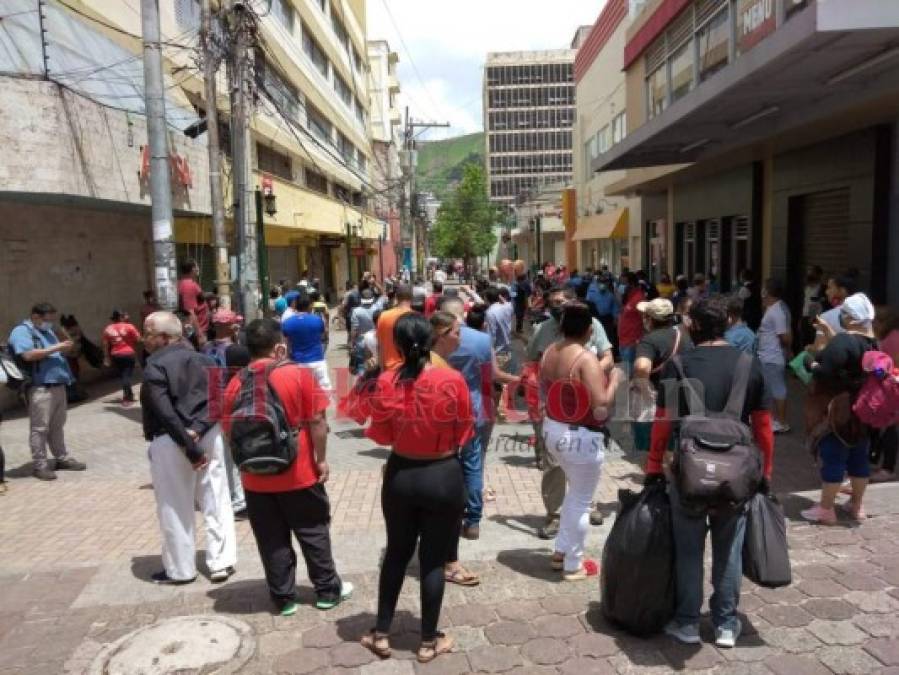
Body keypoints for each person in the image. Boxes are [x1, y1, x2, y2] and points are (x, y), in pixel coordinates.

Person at [646, 295, 773, 648]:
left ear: (695, 326)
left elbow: (662, 423)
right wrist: (766, 473)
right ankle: (726, 624)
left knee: (688, 549)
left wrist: (654, 466)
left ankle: (687, 622)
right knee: (729, 546)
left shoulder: (679, 365)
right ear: (729, 323)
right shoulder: (750, 364)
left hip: (687, 472)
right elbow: (763, 427)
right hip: (737, 475)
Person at [361, 313, 473, 663]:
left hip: (401, 474)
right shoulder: (451, 379)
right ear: (430, 342)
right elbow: (465, 431)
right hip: (442, 473)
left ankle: (380, 633)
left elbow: (379, 433)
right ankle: (427, 641)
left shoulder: (386, 380)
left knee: (396, 551)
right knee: (433, 562)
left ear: (395, 344)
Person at [221, 319, 350, 614]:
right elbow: (317, 421)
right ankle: (327, 592)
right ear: (279, 347)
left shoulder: (235, 382)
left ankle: (284, 599)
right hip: (298, 473)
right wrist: (321, 459)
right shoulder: (298, 375)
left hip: (254, 478)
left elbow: (228, 431)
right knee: (313, 531)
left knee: (271, 539)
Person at [141, 311, 237, 584]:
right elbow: (218, 401)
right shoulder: (205, 359)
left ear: (164, 337)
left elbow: (164, 411)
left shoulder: (154, 366)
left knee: (174, 503)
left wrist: (187, 440)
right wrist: (198, 430)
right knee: (216, 495)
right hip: (204, 434)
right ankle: (222, 561)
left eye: (148, 334)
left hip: (171, 439)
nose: (144, 339)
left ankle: (181, 569)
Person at [540, 301, 623, 580]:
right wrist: (615, 382)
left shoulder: (550, 351)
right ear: (589, 330)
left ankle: (560, 552)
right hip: (578, 436)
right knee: (580, 500)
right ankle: (573, 564)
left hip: (553, 428)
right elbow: (601, 405)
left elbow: (542, 389)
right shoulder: (585, 358)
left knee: (575, 496)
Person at [526, 286, 613, 538]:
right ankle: (555, 514)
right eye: (553, 302)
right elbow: (533, 362)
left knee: (586, 461)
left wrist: (591, 370)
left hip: (586, 407)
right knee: (554, 464)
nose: (557, 306)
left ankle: (587, 503)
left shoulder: (591, 323)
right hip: (554, 410)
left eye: (562, 301)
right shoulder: (542, 331)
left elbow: (607, 355)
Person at [442, 297, 517, 540]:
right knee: (473, 463)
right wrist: (517, 380)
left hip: (442, 411)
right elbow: (493, 374)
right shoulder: (482, 340)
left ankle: (449, 513)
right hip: (475, 408)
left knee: (446, 462)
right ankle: (473, 520)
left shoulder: (435, 341)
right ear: (462, 314)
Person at [801, 293, 878, 524]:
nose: (841, 316)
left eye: (844, 314)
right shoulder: (871, 342)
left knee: (834, 455)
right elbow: (848, 354)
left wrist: (809, 361)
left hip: (838, 410)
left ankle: (826, 509)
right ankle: (856, 505)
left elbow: (824, 370)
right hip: (862, 409)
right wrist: (828, 332)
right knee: (859, 459)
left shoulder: (843, 342)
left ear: (851, 318)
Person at [8, 303, 86, 481]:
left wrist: (64, 348)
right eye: (47, 320)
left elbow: (53, 353)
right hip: (40, 387)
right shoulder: (21, 332)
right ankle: (40, 465)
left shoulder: (47, 331)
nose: (50, 323)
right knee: (40, 428)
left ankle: (62, 458)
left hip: (58, 384)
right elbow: (27, 355)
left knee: (57, 426)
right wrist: (57, 348)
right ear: (35, 317)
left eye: (51, 320)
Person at [631, 298, 692, 452]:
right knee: (674, 442)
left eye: (645, 315)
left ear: (650, 319)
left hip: (657, 399)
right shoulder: (684, 335)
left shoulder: (649, 340)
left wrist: (645, 391)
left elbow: (642, 367)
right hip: (680, 396)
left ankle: (657, 471)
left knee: (654, 444)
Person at [758, 278, 792, 433]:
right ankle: (775, 420)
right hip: (768, 355)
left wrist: (786, 350)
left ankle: (782, 422)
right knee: (771, 389)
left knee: (778, 389)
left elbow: (784, 336)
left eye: (764, 289)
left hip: (772, 356)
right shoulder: (772, 309)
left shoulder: (777, 311)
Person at [870, 305, 899, 482]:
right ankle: (879, 462)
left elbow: (891, 365)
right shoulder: (891, 336)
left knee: (889, 427)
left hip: (892, 388)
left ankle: (887, 468)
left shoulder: (891, 339)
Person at [282, 293, 331, 390]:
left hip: (298, 362)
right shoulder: (317, 320)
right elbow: (324, 335)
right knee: (322, 393)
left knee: (301, 393)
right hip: (317, 361)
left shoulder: (287, 323)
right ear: (310, 306)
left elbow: (287, 344)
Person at [102, 309, 142, 405]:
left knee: (123, 374)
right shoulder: (129, 327)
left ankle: (130, 394)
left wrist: (106, 357)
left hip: (115, 354)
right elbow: (139, 339)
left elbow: (105, 344)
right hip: (128, 353)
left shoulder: (108, 329)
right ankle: (127, 397)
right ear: (121, 317)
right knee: (126, 375)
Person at [377, 284, 414, 371]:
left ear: (396, 297)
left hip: (389, 368)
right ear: (412, 297)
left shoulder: (384, 316)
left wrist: (381, 369)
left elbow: (380, 345)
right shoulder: (416, 317)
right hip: (410, 370)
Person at [177, 259, 209, 347]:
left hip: (196, 330)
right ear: (192, 269)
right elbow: (190, 311)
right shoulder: (188, 285)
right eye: (196, 266)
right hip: (195, 333)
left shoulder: (188, 283)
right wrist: (200, 334)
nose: (198, 269)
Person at [617, 272, 646, 368]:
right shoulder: (630, 297)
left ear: (632, 284)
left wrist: (640, 339)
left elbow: (645, 320)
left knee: (629, 372)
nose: (622, 287)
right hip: (623, 340)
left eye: (625, 284)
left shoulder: (639, 299)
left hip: (632, 341)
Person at [586, 275, 619, 353]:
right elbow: (587, 305)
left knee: (609, 336)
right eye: (601, 282)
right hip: (596, 317)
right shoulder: (591, 294)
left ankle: (611, 353)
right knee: (595, 335)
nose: (603, 284)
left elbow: (614, 307)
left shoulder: (610, 295)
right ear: (597, 283)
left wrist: (615, 318)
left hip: (607, 318)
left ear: (607, 283)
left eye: (604, 282)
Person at [350, 290, 376, 375]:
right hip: (375, 342)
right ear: (372, 298)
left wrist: (352, 343)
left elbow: (354, 329)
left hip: (361, 342)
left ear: (361, 299)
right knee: (376, 366)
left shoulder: (356, 311)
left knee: (362, 366)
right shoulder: (378, 308)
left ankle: (362, 385)